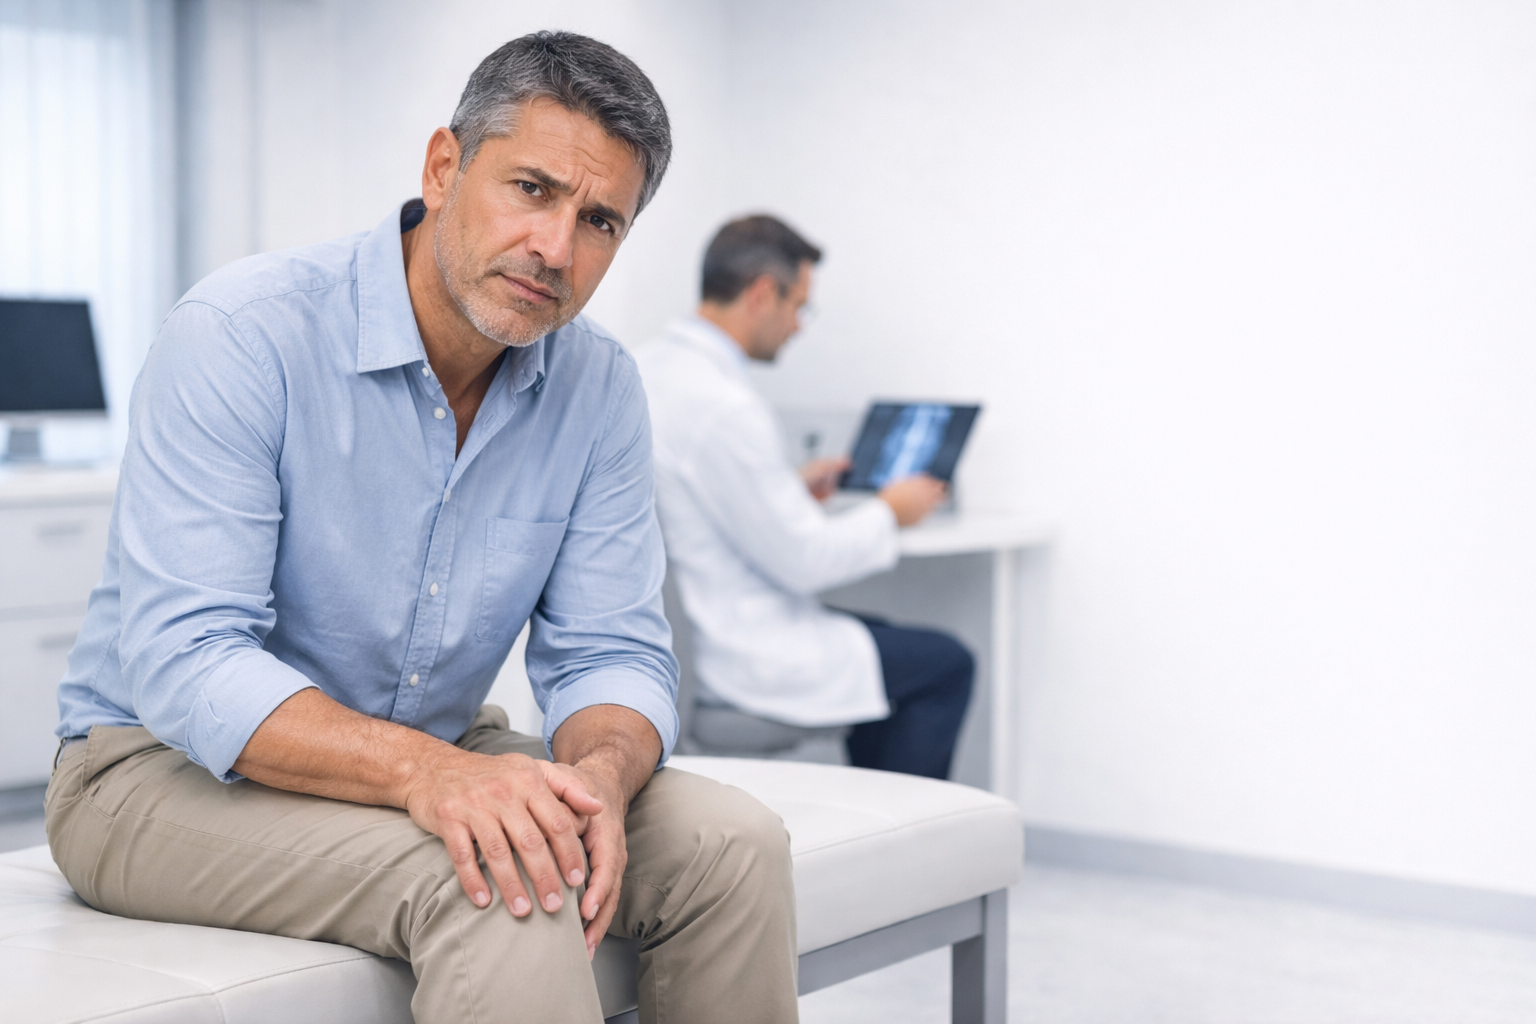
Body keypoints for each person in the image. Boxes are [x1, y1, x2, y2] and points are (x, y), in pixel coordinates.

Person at [46, 33, 798, 1024]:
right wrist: (433, 775)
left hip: (429, 740)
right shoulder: (243, 333)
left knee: (730, 843)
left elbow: (611, 646)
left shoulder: (601, 385)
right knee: (501, 878)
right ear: (445, 167)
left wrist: (602, 781)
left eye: (600, 219)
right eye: (531, 189)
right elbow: (187, 659)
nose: (556, 248)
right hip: (155, 768)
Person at [636, 215, 975, 780]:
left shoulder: (648, 369)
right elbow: (805, 561)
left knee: (886, 641)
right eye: (800, 307)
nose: (799, 326)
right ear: (764, 294)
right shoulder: (725, 405)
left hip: (685, 641)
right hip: (739, 658)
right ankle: (904, 851)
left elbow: (700, 506)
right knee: (946, 663)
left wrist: (788, 491)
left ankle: (879, 836)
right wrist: (892, 512)